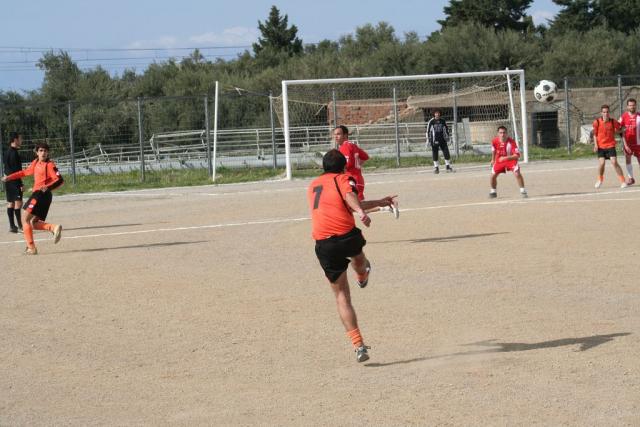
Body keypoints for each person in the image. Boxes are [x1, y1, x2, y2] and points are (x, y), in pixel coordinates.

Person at [307, 149, 396, 363]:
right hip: (346, 236)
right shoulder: (343, 178)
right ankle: (362, 274)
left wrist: (379, 202)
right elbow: (350, 197)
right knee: (359, 258)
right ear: (344, 167)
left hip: (324, 243)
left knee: (341, 296)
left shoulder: (313, 185)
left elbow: (349, 200)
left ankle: (358, 346)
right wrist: (362, 212)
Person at [1, 141, 64, 255]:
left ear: (48, 153)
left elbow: (59, 180)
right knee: (34, 223)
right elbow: (25, 172)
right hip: (44, 196)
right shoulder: (35, 162)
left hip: (40, 195)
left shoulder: (49, 164)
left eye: (45, 151)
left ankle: (31, 248)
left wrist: (46, 187)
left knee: (24, 219)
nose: (43, 153)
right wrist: (10, 177)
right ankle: (53, 228)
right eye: (41, 150)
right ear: (37, 152)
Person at [334, 125, 399, 218]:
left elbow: (346, 164)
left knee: (355, 206)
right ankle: (385, 205)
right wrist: (357, 166)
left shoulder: (344, 147)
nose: (336, 137)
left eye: (338, 134)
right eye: (335, 134)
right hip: (357, 179)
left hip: (352, 181)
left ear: (345, 135)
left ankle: (387, 203)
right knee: (355, 206)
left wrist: (335, 169)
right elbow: (365, 156)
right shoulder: (353, 145)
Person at [592, 104, 626, 189]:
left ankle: (623, 181)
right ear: (601, 113)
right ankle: (600, 179)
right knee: (602, 163)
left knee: (614, 162)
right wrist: (596, 145)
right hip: (601, 146)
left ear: (609, 112)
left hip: (610, 145)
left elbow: (619, 129)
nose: (606, 114)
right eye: (604, 112)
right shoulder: (597, 122)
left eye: (607, 112)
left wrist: (623, 129)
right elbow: (595, 135)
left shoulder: (613, 121)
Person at [489, 126, 527, 198]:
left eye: (504, 133)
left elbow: (517, 155)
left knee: (517, 173)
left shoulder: (511, 142)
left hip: (510, 160)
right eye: (500, 133)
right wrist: (493, 159)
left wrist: (505, 158)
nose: (502, 134)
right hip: (499, 160)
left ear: (507, 133)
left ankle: (523, 191)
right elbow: (493, 150)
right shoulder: (494, 141)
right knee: (492, 176)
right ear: (498, 134)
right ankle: (493, 191)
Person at [3, 132, 24, 233]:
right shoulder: (14, 153)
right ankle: (20, 226)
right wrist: (21, 184)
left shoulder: (7, 152)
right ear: (15, 140)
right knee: (18, 203)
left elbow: (7, 167)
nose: (21, 141)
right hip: (15, 181)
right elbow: (17, 171)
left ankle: (12, 226)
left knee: (10, 203)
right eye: (20, 139)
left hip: (8, 180)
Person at [619, 98, 640, 185]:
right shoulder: (623, 117)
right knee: (628, 159)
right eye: (630, 105)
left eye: (633, 105)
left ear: (636, 105)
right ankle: (631, 178)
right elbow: (619, 130)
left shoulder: (639, 116)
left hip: (638, 143)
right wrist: (625, 144)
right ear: (627, 106)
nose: (632, 107)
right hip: (628, 144)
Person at [426, 109, 453, 174]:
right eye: (436, 113)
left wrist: (448, 138)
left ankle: (448, 166)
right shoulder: (431, 121)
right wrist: (428, 140)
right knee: (435, 153)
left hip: (442, 139)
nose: (437, 114)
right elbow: (428, 131)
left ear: (440, 114)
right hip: (434, 140)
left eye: (438, 113)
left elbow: (446, 129)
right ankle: (436, 168)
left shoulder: (443, 121)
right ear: (434, 114)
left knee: (446, 152)